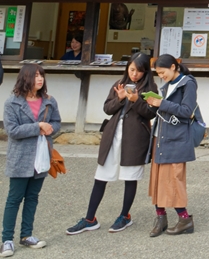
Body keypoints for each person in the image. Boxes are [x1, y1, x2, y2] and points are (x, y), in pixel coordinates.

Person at [66, 53, 157, 235]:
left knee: (130, 177)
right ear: (127, 68)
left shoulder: (150, 88)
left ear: (146, 71)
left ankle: (124, 216)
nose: (135, 74)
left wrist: (136, 101)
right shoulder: (119, 84)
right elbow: (107, 108)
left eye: (139, 71)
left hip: (135, 138)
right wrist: (120, 98)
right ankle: (89, 219)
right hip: (113, 135)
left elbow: (151, 113)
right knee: (101, 176)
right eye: (132, 69)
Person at [1, 63, 61, 257]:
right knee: (14, 198)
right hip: (20, 157)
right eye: (35, 75)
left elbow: (57, 122)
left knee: (33, 197)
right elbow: (12, 130)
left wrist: (50, 128)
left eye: (41, 75)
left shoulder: (49, 101)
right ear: (25, 77)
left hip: (41, 156)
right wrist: (38, 127)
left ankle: (26, 235)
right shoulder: (12, 102)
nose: (40, 78)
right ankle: (7, 240)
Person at [144, 54, 198, 236]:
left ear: (173, 67)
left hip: (176, 139)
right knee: (157, 180)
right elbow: (164, 109)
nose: (161, 76)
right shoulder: (167, 85)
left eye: (163, 72)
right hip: (160, 137)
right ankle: (161, 218)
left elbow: (186, 111)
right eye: (158, 74)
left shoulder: (188, 83)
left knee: (174, 180)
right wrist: (151, 103)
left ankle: (185, 220)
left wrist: (162, 103)